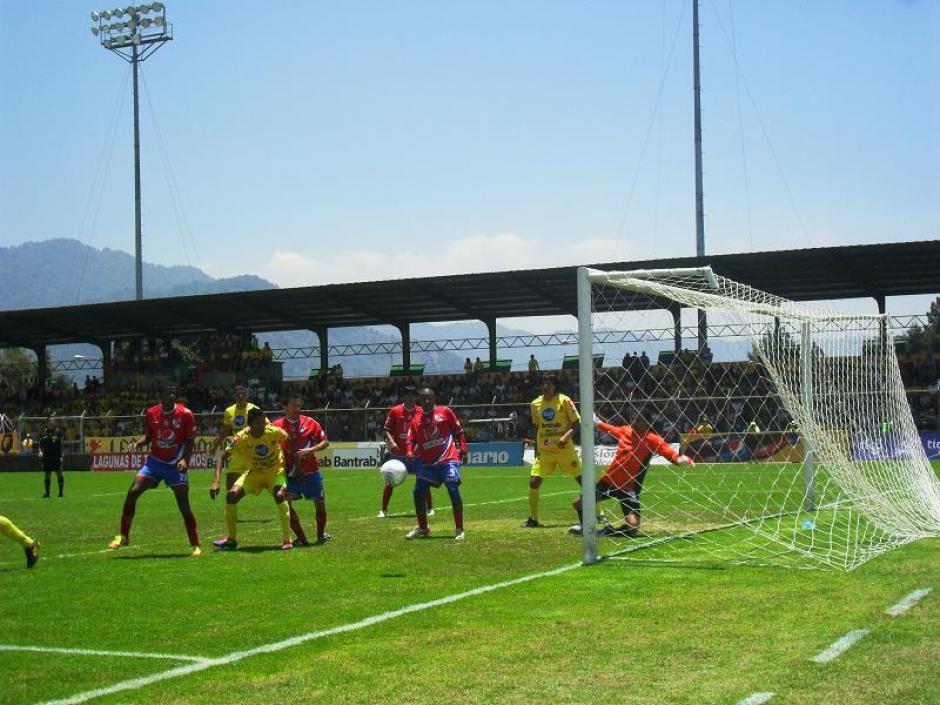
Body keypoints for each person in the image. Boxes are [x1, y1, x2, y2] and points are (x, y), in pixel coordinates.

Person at [107, 384, 202, 557]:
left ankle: (195, 544)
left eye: (174, 392)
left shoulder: (186, 414)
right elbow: (149, 436)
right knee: (133, 492)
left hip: (175, 463)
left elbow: (190, 441)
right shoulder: (151, 413)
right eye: (168, 393)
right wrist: (137, 443)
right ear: (160, 395)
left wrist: (184, 460)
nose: (172, 395)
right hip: (155, 462)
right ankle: (123, 536)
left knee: (183, 504)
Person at [569, 410, 693, 537]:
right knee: (578, 503)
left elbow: (671, 455)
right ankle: (585, 527)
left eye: (638, 420)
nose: (634, 421)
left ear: (647, 423)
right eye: (634, 418)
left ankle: (609, 531)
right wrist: (597, 423)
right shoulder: (626, 431)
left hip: (628, 488)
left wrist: (684, 460)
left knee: (633, 527)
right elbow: (611, 429)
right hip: (608, 482)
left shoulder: (653, 440)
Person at [210, 408, 293, 551]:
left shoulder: (274, 432)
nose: (262, 426)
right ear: (250, 425)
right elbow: (222, 457)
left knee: (279, 496)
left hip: (275, 473)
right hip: (254, 474)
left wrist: (290, 463)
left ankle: (287, 539)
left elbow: (290, 440)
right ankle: (232, 539)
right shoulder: (241, 438)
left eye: (263, 422)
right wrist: (216, 481)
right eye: (258, 423)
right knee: (231, 496)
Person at [405, 387, 467, 540]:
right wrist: (409, 451)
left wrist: (463, 448)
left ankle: (459, 529)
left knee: (452, 488)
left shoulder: (445, 412)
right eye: (424, 399)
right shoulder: (416, 421)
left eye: (429, 398)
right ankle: (423, 528)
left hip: (448, 459)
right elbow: (410, 439)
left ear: (434, 399)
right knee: (418, 491)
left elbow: (459, 431)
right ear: (419, 401)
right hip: (428, 464)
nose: (427, 401)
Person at [271, 395, 332, 546]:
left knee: (320, 503)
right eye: (293, 405)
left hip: (311, 473)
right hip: (289, 475)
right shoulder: (275, 426)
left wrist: (310, 450)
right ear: (285, 407)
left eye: (298, 405)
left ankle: (320, 535)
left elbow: (325, 442)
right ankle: (302, 539)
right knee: (287, 505)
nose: (297, 409)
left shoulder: (310, 422)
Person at [522, 373, 581, 528]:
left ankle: (599, 514)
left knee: (583, 480)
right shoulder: (535, 404)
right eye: (543, 382)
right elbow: (538, 427)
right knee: (533, 481)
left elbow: (576, 423)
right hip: (546, 451)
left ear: (555, 385)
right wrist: (536, 450)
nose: (545, 385)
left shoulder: (565, 401)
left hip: (565, 450)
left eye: (549, 382)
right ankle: (533, 519)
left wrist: (565, 437)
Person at [378, 385, 433, 518]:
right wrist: (392, 442)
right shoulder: (395, 411)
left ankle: (430, 508)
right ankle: (383, 510)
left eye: (413, 394)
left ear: (416, 397)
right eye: (407, 394)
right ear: (404, 396)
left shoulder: (421, 411)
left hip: (417, 455)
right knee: (390, 481)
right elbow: (386, 429)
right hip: (398, 454)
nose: (410, 397)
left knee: (423, 480)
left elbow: (428, 428)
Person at [209, 385, 263, 492]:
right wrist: (215, 445)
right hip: (237, 448)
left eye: (243, 394)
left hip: (252, 450)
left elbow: (266, 426)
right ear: (234, 396)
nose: (241, 396)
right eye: (238, 394)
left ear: (247, 395)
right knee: (230, 485)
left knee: (257, 484)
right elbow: (225, 431)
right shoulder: (229, 411)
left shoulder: (254, 409)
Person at [38, 416, 64, 498]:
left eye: (53, 421)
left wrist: (61, 456)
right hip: (47, 457)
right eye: (50, 421)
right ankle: (47, 493)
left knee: (59, 473)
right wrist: (40, 451)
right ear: (47, 422)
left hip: (56, 456)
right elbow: (40, 444)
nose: (52, 422)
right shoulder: (43, 433)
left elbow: (61, 445)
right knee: (47, 474)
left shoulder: (58, 432)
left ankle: (60, 493)